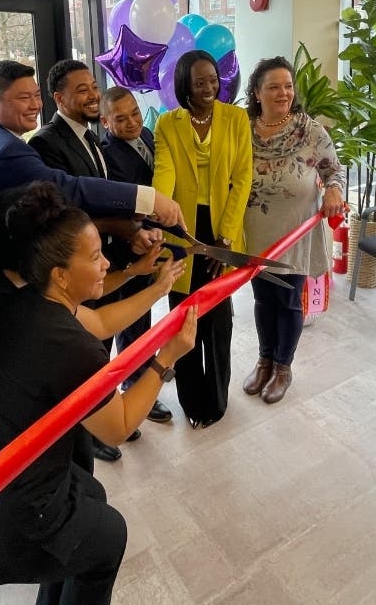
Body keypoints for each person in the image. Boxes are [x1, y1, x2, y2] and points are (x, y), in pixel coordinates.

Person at [0, 183, 196, 605]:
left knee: (92, 494)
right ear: (60, 274)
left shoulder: (31, 301)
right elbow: (118, 426)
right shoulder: (63, 343)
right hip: (1, 517)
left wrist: (155, 286)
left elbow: (97, 322)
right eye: (95, 257)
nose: (107, 263)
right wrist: (164, 357)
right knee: (110, 537)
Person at [28, 59, 154, 461]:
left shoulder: (91, 137)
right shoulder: (45, 143)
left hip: (110, 258)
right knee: (91, 345)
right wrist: (125, 228)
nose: (91, 94)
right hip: (80, 265)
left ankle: (125, 398)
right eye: (80, 89)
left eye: (93, 87)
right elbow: (67, 210)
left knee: (124, 328)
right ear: (58, 98)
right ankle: (96, 424)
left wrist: (131, 234)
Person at [153, 49, 253, 428]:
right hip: (181, 227)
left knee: (218, 318)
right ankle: (193, 402)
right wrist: (160, 216)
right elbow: (164, 172)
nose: (210, 87)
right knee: (185, 317)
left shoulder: (236, 118)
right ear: (185, 85)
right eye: (200, 82)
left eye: (214, 79)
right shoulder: (168, 123)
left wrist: (226, 237)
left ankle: (217, 398)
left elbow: (243, 177)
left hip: (222, 227)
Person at [241, 56, 345, 404]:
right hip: (255, 231)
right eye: (273, 86)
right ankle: (264, 358)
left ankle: (283, 367)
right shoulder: (242, 127)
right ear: (257, 92)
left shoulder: (310, 130)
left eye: (287, 86)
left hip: (295, 232)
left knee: (287, 300)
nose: (283, 92)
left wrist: (332, 190)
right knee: (262, 298)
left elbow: (335, 171)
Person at [0, 60, 183, 229]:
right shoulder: (11, 148)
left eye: (36, 95)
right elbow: (64, 190)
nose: (35, 105)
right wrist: (147, 198)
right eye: (25, 97)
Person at [99, 85, 173, 425]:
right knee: (129, 320)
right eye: (120, 119)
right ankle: (130, 384)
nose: (131, 123)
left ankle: (138, 375)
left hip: (153, 238)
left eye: (134, 113)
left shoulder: (147, 133)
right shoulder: (106, 153)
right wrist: (138, 229)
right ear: (105, 121)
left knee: (142, 316)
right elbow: (116, 203)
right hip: (125, 247)